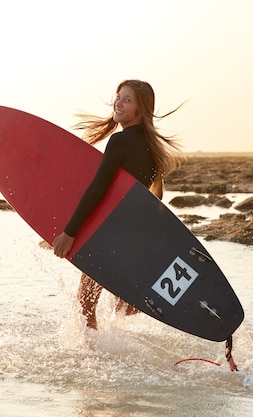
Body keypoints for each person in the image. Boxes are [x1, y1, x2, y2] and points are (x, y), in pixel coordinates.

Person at [52, 79, 183, 330]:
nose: (119, 103)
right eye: (118, 96)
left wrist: (70, 232)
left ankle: (96, 353)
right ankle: (119, 341)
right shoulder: (151, 146)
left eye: (127, 100)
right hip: (133, 234)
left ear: (140, 109)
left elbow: (99, 188)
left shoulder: (120, 141)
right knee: (124, 305)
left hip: (108, 231)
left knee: (86, 302)